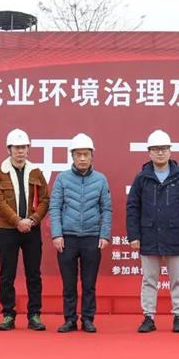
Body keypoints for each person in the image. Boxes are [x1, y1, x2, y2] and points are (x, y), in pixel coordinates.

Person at [126, 129, 179, 333]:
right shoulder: (142, 178)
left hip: (176, 235)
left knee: (177, 280)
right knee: (149, 280)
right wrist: (134, 236)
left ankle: (178, 316)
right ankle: (148, 317)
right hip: (148, 235)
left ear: (170, 151)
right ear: (149, 152)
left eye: (164, 149)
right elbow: (133, 207)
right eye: (156, 149)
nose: (160, 153)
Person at [49, 133, 112, 333]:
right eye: (78, 154)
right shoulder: (62, 179)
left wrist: (104, 235)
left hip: (92, 237)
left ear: (92, 156)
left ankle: (88, 319)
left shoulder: (100, 179)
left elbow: (106, 209)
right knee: (69, 283)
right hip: (67, 238)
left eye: (86, 154)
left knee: (89, 283)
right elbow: (55, 207)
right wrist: (56, 234)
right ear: (72, 156)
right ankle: (69, 319)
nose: (82, 158)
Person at [0, 128, 50, 331]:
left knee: (34, 274)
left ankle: (34, 315)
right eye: (16, 148)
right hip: (7, 230)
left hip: (32, 229)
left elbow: (45, 200)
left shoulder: (36, 172)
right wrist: (17, 221)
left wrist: (33, 220)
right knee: (7, 274)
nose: (20, 151)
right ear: (9, 149)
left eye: (23, 147)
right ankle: (8, 314)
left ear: (28, 149)